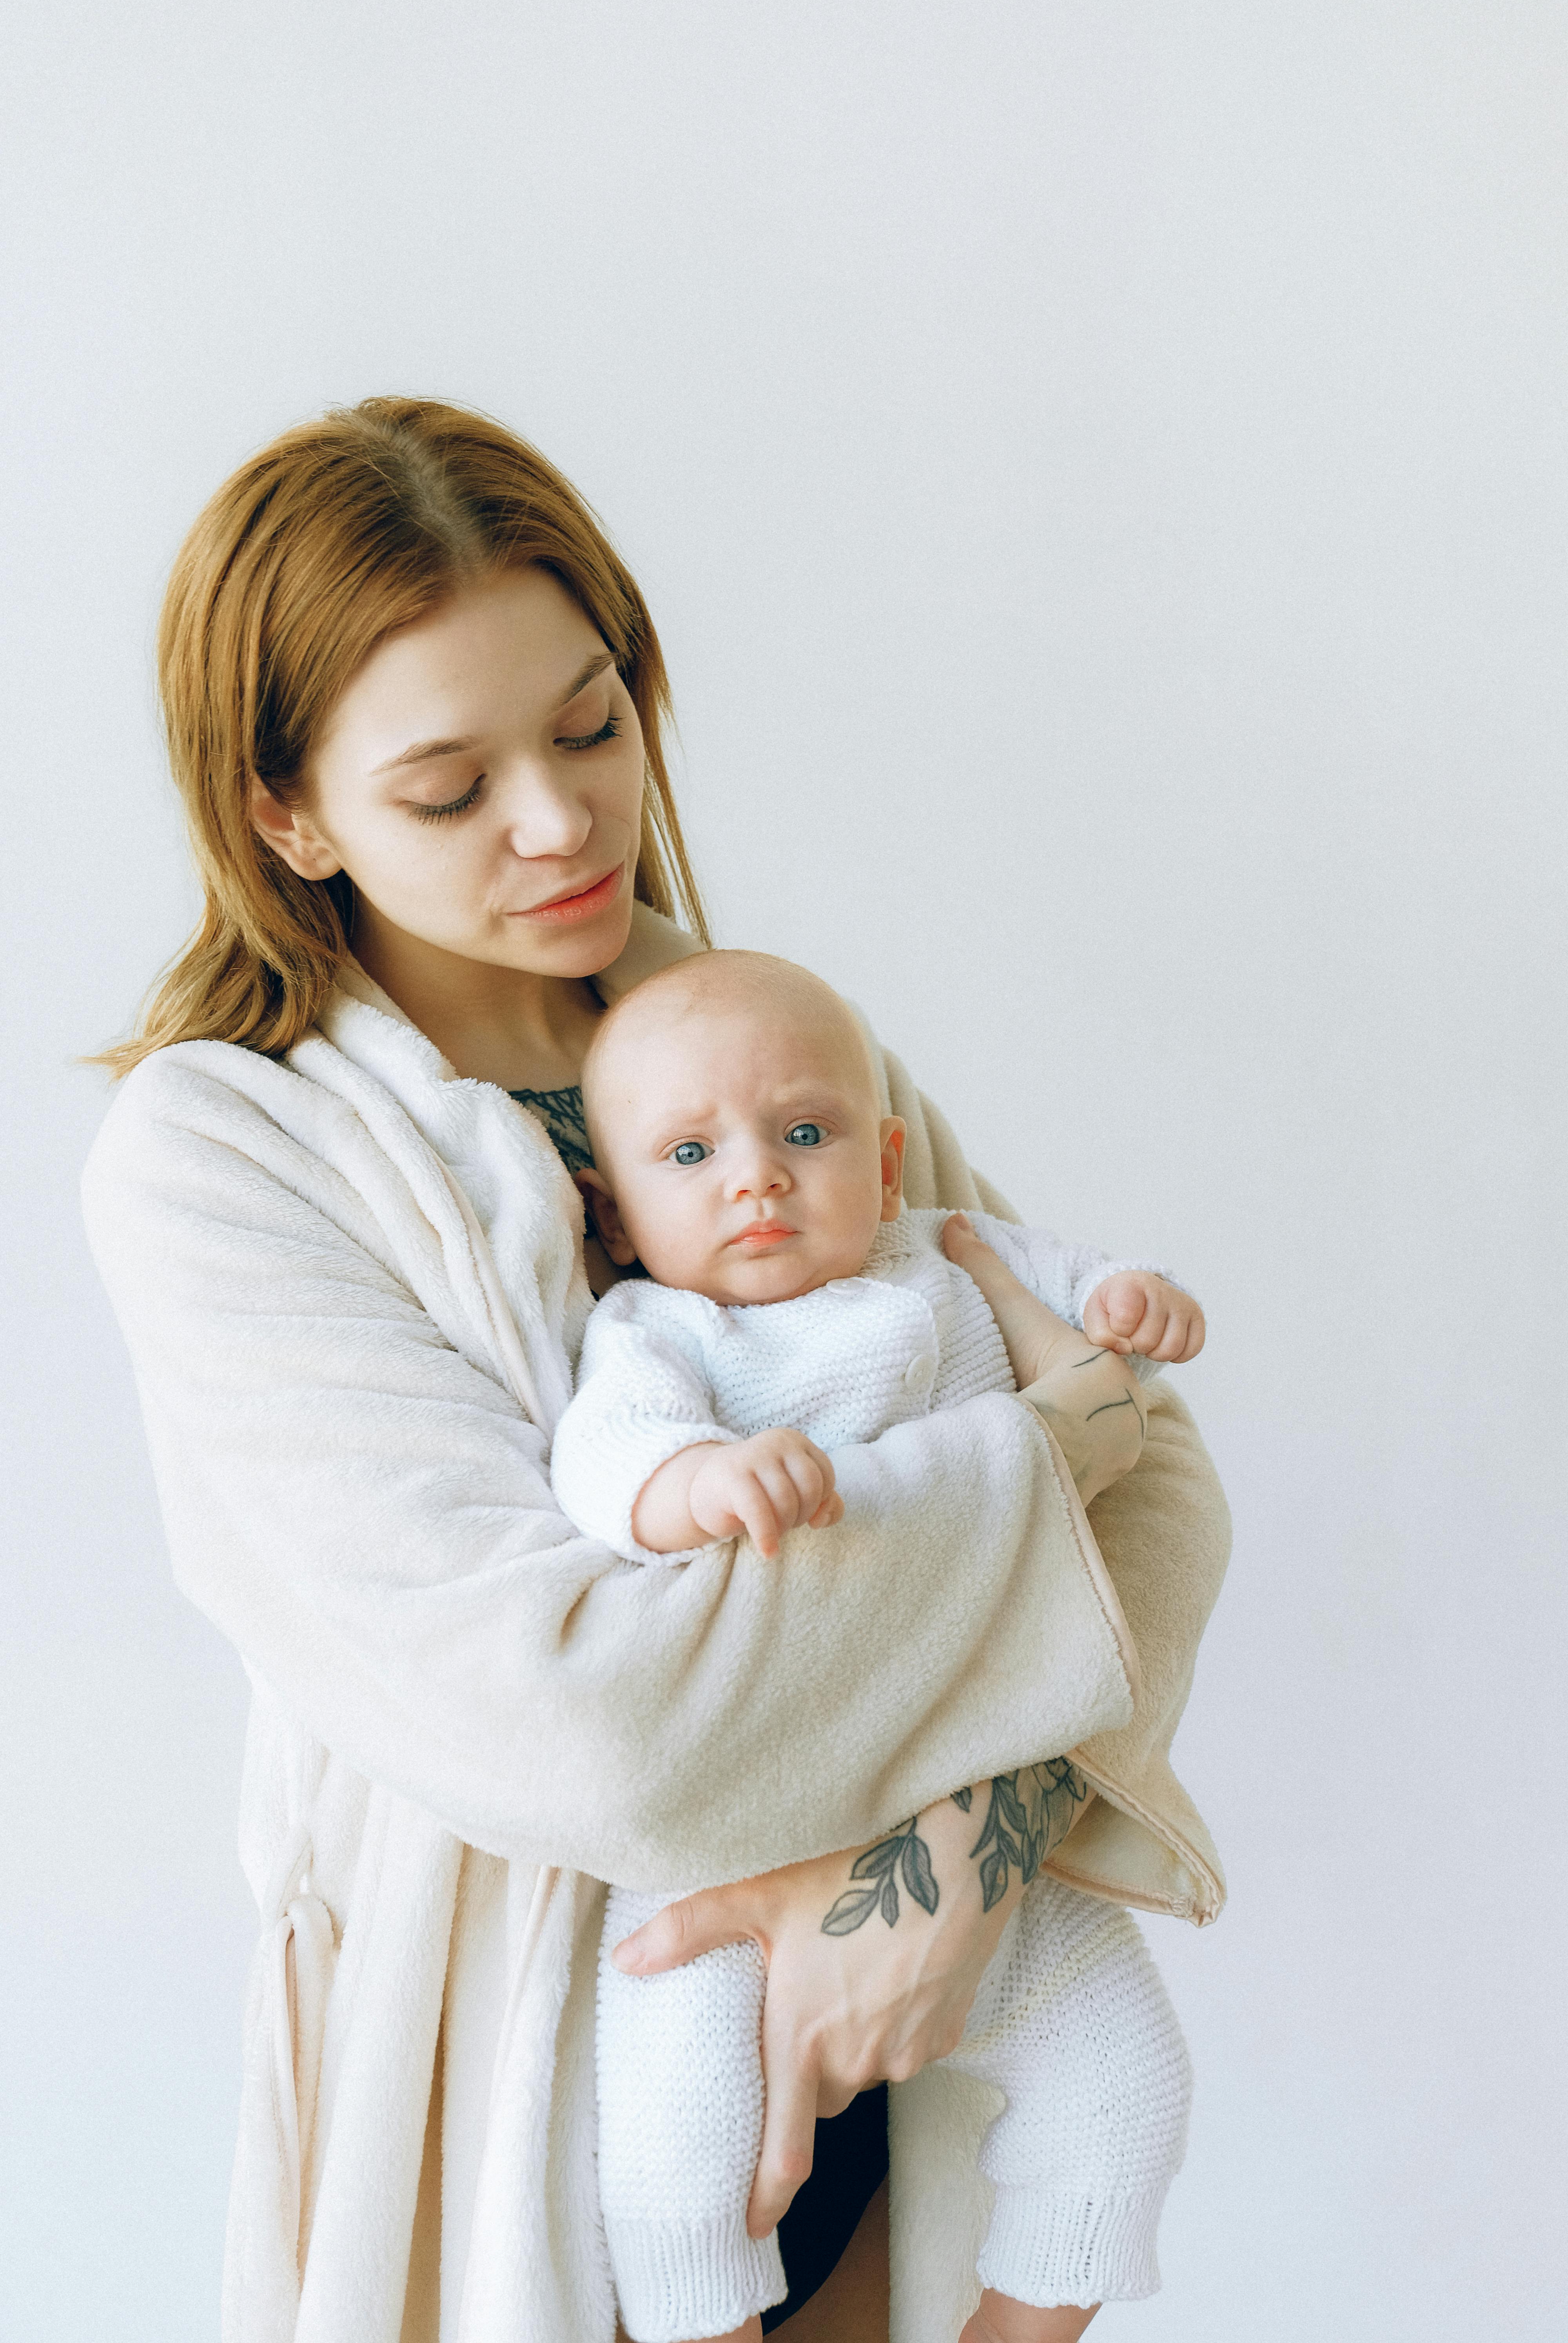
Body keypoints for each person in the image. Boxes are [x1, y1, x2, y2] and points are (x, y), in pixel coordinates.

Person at [80, 397, 1230, 2343]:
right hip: (542, 2050)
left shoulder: (753, 1053)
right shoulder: (228, 1160)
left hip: (918, 2016)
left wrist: (954, 1862)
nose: (560, 821)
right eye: (448, 788)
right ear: (287, 812)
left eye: (592, 724)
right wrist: (1026, 1495)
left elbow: (1170, 1501)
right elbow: (581, 1727)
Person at [550, 950, 1203, 2343]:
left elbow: (1101, 1335)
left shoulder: (955, 1255)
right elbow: (607, 1461)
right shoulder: (659, 1330)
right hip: (738, 1838)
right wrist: (695, 1487)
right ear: (612, 1212)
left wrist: (1137, 1307)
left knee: (1125, 2092)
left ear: (888, 1157)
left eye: (806, 1134)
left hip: (975, 1791)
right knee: (678, 2165)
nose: (758, 1179)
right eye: (690, 1152)